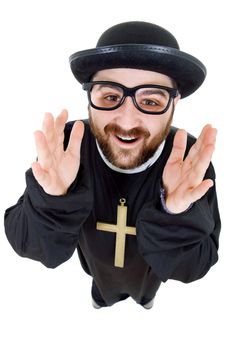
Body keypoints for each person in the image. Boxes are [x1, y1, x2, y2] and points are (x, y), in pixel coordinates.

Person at [4, 21, 221, 309]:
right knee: (101, 283)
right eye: (110, 96)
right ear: (90, 99)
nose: (127, 121)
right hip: (95, 263)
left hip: (150, 270)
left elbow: (194, 267)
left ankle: (146, 298)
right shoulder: (67, 146)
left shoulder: (190, 161)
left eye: (152, 101)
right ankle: (100, 296)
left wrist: (176, 214)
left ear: (174, 103)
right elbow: (31, 247)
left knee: (145, 288)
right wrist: (52, 200)